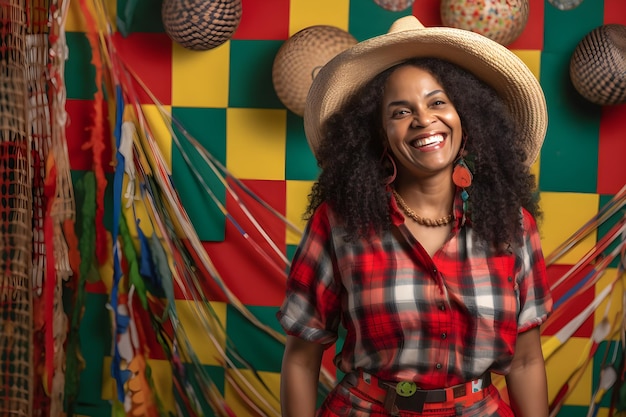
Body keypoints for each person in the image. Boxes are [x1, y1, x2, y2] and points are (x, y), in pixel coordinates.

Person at [277, 15, 553, 417]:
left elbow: (526, 361)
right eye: (400, 111)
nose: (424, 120)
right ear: (377, 133)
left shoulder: (512, 225)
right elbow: (301, 359)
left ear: (467, 115)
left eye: (438, 102)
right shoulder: (338, 222)